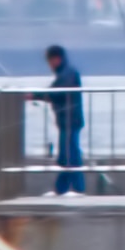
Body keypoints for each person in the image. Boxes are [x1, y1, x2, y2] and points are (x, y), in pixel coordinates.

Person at [40, 39, 87, 192]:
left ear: (56, 59)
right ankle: (62, 189)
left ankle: (76, 190)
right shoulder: (65, 74)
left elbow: (56, 92)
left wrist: (34, 95)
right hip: (66, 122)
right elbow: (53, 92)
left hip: (70, 122)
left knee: (70, 157)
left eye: (50, 61)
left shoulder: (69, 74)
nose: (49, 65)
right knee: (67, 157)